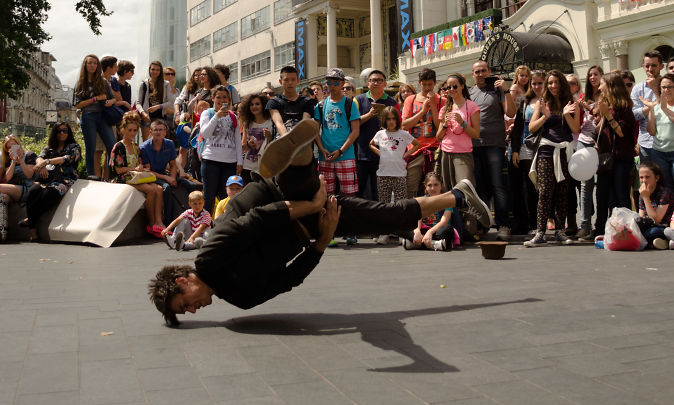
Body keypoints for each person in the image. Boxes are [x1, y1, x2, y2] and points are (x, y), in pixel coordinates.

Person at [148, 120, 492, 324]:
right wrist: (323, 240)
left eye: (184, 304)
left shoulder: (207, 257)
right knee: (387, 217)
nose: (193, 310)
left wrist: (309, 204)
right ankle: (459, 196)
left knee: (299, 182)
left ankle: (296, 155)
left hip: (274, 197)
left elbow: (253, 221)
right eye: (187, 313)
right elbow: (288, 279)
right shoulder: (240, 299)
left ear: (182, 280)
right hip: (312, 225)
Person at [523, 70, 580, 247]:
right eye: (550, 83)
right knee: (545, 191)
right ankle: (540, 232)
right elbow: (531, 127)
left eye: (556, 82)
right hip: (546, 150)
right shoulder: (542, 103)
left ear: (562, 84)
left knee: (563, 192)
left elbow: (575, 128)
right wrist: (546, 117)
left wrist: (565, 114)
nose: (553, 86)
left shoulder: (572, 103)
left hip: (565, 150)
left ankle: (559, 231)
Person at [469, 60, 516, 240]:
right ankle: (482, 225)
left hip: (494, 145)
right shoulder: (469, 93)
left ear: (489, 72)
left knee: (498, 186)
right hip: (474, 145)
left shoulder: (497, 90)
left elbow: (511, 113)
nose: (480, 74)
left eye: (483, 71)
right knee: (480, 188)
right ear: (472, 74)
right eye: (477, 72)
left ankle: (503, 225)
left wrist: (506, 90)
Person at [109, 111, 165, 235]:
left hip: (134, 177)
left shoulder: (135, 146)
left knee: (159, 189)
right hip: (121, 178)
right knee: (150, 190)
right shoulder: (118, 146)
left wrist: (140, 167)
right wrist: (134, 169)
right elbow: (118, 170)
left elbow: (139, 164)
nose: (133, 133)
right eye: (130, 130)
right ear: (123, 130)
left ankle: (159, 221)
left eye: (135, 130)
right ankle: (151, 224)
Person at [23, 123, 81, 241]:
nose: (62, 133)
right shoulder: (49, 147)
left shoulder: (74, 147)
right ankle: (33, 232)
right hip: (47, 179)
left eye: (65, 131)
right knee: (32, 192)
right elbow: (39, 157)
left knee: (50, 193)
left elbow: (65, 158)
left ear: (68, 132)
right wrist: (42, 165)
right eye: (59, 131)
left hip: (65, 180)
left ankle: (30, 219)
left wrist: (47, 161)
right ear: (55, 133)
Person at [641, 73, 674, 195]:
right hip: (659, 154)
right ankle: (672, 214)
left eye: (670, 87)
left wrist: (666, 109)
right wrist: (651, 110)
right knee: (666, 193)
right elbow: (652, 131)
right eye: (663, 87)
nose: (666, 90)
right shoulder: (657, 107)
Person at [369, 106, 415, 243]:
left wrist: (405, 155)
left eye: (394, 119)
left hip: (399, 174)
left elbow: (416, 144)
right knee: (384, 206)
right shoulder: (380, 134)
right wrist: (380, 153)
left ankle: (402, 233)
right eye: (388, 119)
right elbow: (371, 144)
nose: (391, 122)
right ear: (384, 120)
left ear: (398, 120)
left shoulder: (403, 134)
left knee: (401, 205)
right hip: (383, 175)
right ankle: (385, 233)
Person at [314, 68, 361, 200]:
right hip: (325, 157)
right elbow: (315, 131)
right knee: (326, 195)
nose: (332, 86)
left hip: (346, 156)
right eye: (329, 83)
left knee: (349, 195)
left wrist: (340, 151)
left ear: (342, 83)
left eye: (336, 83)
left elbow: (355, 131)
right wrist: (321, 149)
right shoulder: (321, 105)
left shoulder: (350, 104)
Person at [511, 71, 546, 235]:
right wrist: (515, 150)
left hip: (545, 146)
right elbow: (517, 128)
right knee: (526, 187)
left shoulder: (549, 101)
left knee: (541, 187)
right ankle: (528, 222)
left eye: (540, 83)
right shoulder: (525, 102)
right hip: (526, 147)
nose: (537, 86)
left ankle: (541, 222)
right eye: (534, 83)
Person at [198, 85, 243, 213]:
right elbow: (205, 134)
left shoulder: (233, 116)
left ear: (229, 100)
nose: (222, 100)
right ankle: (205, 226)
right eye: (218, 97)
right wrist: (217, 116)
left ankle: (224, 224)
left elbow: (237, 141)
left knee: (226, 197)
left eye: (225, 97)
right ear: (213, 98)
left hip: (230, 162)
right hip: (210, 160)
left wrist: (239, 162)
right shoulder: (207, 113)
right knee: (209, 197)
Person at [401, 68, 444, 199]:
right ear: (419, 83)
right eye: (424, 84)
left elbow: (440, 127)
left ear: (435, 83)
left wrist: (432, 104)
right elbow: (405, 125)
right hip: (414, 151)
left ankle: (433, 218)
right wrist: (423, 111)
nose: (427, 88)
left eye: (430, 84)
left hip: (434, 150)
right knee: (410, 188)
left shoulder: (442, 100)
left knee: (434, 190)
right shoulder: (410, 100)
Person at [597, 72, 636, 214]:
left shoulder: (624, 106)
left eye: (602, 84)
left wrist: (607, 115)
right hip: (607, 157)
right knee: (610, 197)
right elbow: (600, 130)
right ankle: (613, 230)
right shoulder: (608, 105)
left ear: (610, 86)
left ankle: (627, 229)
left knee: (621, 194)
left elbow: (621, 133)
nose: (599, 87)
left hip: (621, 157)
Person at [355, 69, 396, 201]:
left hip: (383, 155)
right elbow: (353, 124)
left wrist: (385, 120)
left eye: (379, 80)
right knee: (358, 192)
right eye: (373, 80)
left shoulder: (392, 103)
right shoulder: (358, 100)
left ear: (385, 84)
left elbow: (398, 127)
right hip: (361, 154)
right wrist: (369, 115)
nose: (376, 83)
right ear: (368, 84)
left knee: (378, 193)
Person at [73, 53, 117, 177]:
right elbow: (77, 105)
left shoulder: (103, 81)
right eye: (89, 63)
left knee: (112, 146)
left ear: (97, 66)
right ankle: (91, 176)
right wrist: (95, 98)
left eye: (95, 63)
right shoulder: (80, 83)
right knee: (91, 148)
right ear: (85, 65)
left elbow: (113, 99)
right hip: (88, 116)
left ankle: (113, 175)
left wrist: (109, 102)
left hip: (103, 116)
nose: (92, 65)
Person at [436, 72, 480, 190]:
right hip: (446, 152)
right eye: (448, 87)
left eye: (455, 86)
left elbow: (476, 134)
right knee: (449, 189)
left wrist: (462, 123)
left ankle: (469, 209)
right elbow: (438, 137)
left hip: (463, 153)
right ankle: (452, 209)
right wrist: (444, 125)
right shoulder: (445, 109)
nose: (451, 89)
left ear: (462, 86)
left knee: (464, 187)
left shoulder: (471, 106)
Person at [139, 118, 180, 233]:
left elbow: (173, 165)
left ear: (165, 132)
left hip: (165, 174)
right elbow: (149, 171)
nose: (158, 132)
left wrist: (172, 177)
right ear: (150, 132)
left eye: (160, 130)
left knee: (189, 185)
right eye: (155, 130)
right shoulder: (144, 148)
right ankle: (168, 222)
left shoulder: (169, 144)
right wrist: (168, 178)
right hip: (152, 176)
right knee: (166, 188)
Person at [402, 171, 461, 252]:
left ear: (441, 185)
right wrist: (417, 232)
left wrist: (430, 232)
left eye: (436, 185)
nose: (433, 188)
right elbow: (417, 219)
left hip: (437, 231)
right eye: (429, 185)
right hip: (423, 231)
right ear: (425, 186)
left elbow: (444, 222)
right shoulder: (421, 200)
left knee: (448, 229)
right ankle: (435, 245)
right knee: (404, 226)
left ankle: (416, 244)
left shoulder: (447, 201)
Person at [0, 135, 37, 240]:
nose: (12, 148)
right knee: (3, 197)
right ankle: (2, 231)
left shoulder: (29, 155)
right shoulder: (8, 160)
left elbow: (29, 175)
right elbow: (8, 178)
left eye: (14, 145)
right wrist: (13, 161)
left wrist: (20, 161)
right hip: (14, 190)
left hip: (28, 189)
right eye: (9, 147)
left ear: (18, 144)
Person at [632, 49, 664, 159]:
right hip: (645, 143)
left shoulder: (668, 86)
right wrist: (651, 107)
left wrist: (651, 106)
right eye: (647, 66)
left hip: (666, 141)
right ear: (643, 66)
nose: (650, 69)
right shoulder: (637, 88)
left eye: (654, 66)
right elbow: (634, 115)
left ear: (661, 66)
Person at [637, 158, 674, 249]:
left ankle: (667, 240)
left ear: (657, 178)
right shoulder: (642, 193)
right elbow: (641, 217)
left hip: (666, 227)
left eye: (647, 177)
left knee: (652, 232)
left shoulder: (665, 193)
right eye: (641, 177)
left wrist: (646, 197)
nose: (644, 181)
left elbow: (656, 219)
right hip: (650, 226)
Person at [267, 66, 315, 137]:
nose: (290, 83)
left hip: (302, 142)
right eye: (286, 80)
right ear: (280, 81)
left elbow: (304, 123)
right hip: (282, 143)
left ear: (298, 81)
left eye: (293, 79)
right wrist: (288, 141)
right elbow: (279, 123)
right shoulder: (273, 102)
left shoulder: (307, 101)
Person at [238, 93, 274, 183]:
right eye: (251, 104)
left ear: (263, 105)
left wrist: (269, 136)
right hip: (248, 167)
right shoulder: (247, 123)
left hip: (265, 167)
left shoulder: (271, 123)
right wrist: (248, 144)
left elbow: (275, 146)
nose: (254, 106)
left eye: (257, 104)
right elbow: (243, 146)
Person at [136, 61, 175, 131]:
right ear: (149, 70)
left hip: (160, 118)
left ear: (160, 71)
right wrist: (143, 113)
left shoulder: (166, 84)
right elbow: (138, 103)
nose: (155, 72)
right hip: (147, 117)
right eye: (153, 69)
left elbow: (170, 102)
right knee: (147, 141)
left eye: (157, 70)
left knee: (159, 141)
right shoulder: (144, 84)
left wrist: (158, 106)